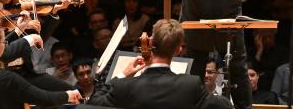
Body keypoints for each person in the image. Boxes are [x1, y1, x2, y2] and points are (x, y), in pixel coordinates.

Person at [89, 19, 232, 109]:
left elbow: (95, 101)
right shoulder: (190, 84)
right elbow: (224, 105)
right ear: (178, 50)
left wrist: (123, 74)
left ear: (150, 42)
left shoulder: (125, 86)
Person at [0, 22, 82, 109]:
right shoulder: (6, 79)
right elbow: (44, 98)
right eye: (4, 42)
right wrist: (70, 95)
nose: (6, 45)